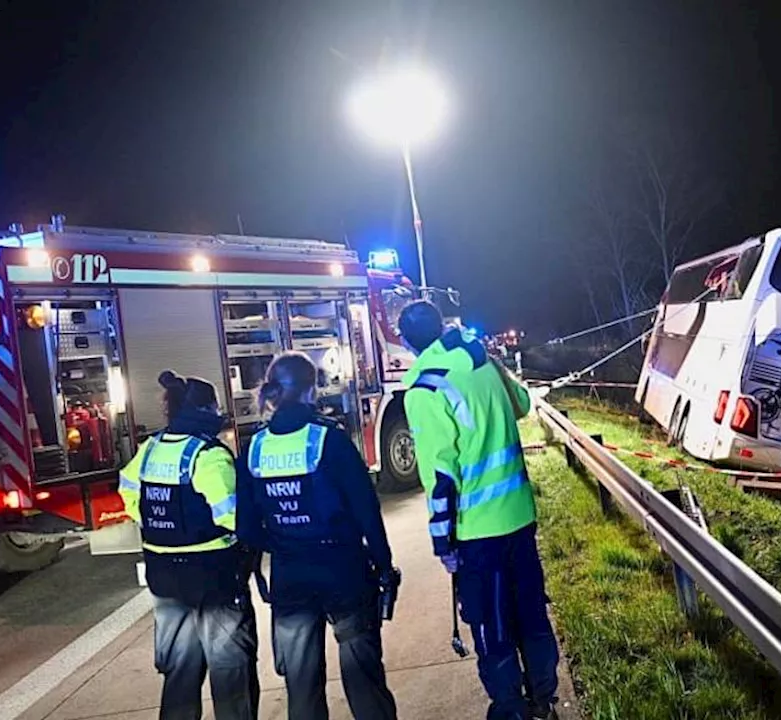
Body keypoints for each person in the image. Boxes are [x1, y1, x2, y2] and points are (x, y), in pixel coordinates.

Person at [398, 300, 560, 720]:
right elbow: (522, 405)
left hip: (476, 532)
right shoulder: (478, 359)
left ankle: (511, 709)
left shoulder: (424, 388)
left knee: (492, 626)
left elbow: (441, 473)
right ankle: (544, 700)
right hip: (520, 516)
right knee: (531, 614)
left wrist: (442, 540)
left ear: (406, 343)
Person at [236, 351, 398, 720]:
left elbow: (245, 527)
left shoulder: (254, 448)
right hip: (343, 569)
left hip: (291, 576)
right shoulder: (331, 440)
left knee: (302, 687)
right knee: (364, 681)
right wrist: (384, 565)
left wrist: (280, 544)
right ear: (312, 390)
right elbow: (365, 510)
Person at [118, 371, 259, 720]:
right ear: (205, 408)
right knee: (231, 673)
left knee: (179, 670)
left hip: (164, 575)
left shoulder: (149, 449)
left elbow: (127, 490)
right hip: (212, 576)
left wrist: (156, 525)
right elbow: (232, 515)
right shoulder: (209, 455)